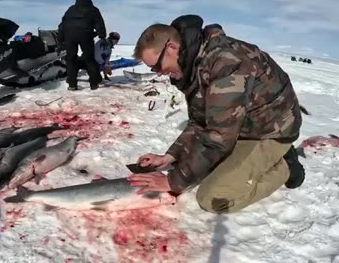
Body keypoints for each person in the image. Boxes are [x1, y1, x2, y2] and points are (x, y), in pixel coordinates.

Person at [128, 15, 305, 214]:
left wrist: (172, 181)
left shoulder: (226, 62)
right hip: (240, 127)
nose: (159, 72)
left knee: (213, 198)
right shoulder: (193, 65)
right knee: (200, 165)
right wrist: (169, 157)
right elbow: (199, 122)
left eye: (157, 65)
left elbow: (218, 137)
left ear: (172, 47)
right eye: (153, 69)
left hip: (270, 131)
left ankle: (285, 166)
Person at [58, 0, 106, 91]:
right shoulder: (93, 9)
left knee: (70, 59)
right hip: (85, 35)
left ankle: (72, 84)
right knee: (89, 58)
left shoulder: (70, 9)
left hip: (69, 36)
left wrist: (60, 40)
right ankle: (94, 83)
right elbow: (99, 23)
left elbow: (61, 25)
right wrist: (102, 36)